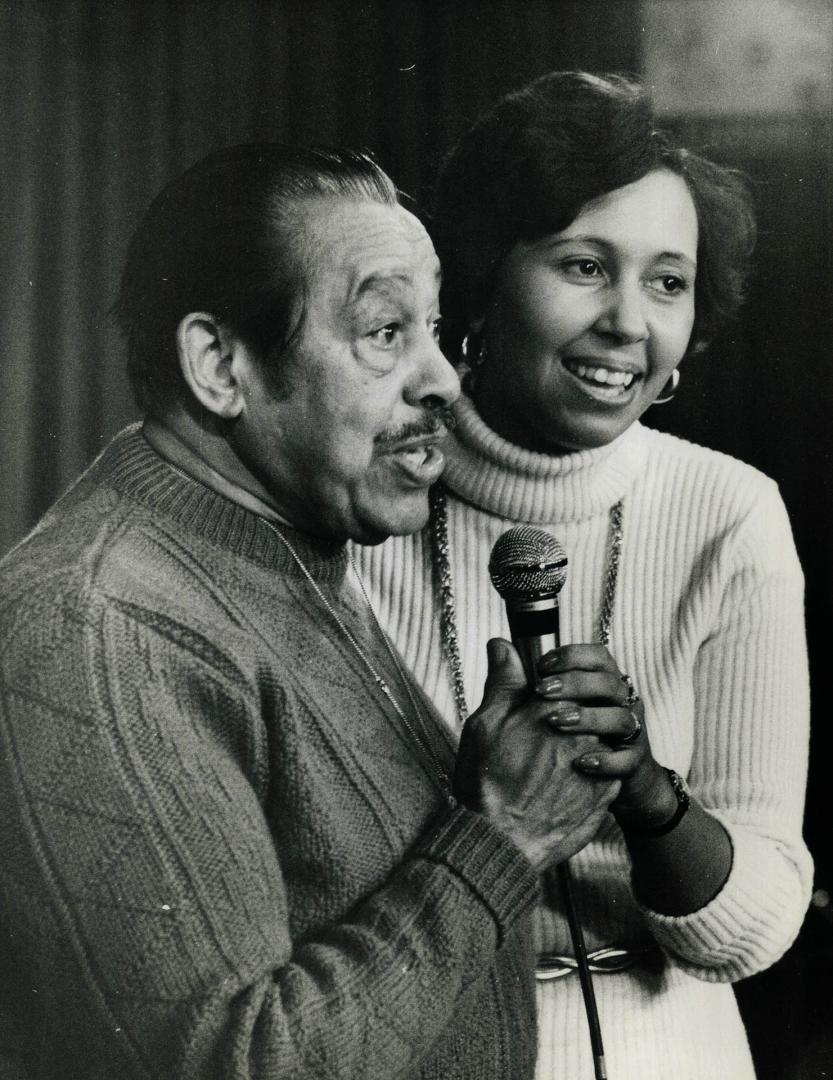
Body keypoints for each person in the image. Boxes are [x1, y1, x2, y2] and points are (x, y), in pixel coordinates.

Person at [0, 144, 621, 1079]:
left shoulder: (288, 552)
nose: (444, 380)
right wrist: (498, 838)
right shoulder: (96, 630)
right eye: (382, 332)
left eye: (434, 327)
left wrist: (479, 794)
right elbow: (235, 1063)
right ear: (219, 365)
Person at [356, 72, 813, 1079]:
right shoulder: (354, 507)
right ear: (477, 282)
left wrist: (650, 795)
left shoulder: (728, 515)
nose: (624, 322)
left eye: (665, 282)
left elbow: (754, 928)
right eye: (581, 265)